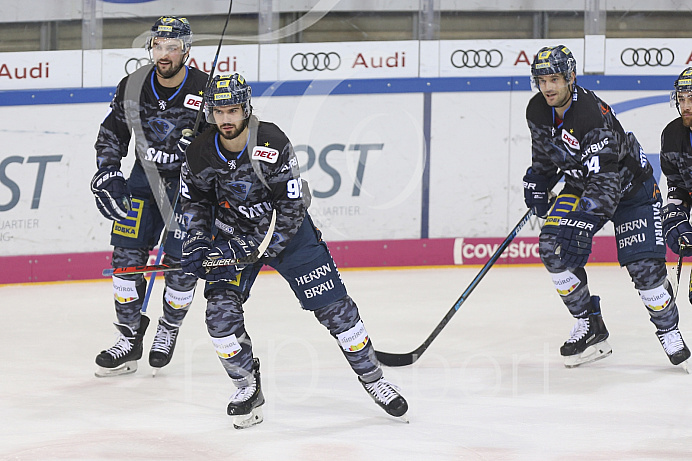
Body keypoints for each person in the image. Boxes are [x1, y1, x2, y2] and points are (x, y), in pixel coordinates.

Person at [178, 73, 408, 428]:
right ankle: (246, 386)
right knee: (219, 320)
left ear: (246, 108)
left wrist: (256, 246)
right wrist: (195, 241)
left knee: (339, 313)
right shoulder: (199, 151)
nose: (226, 119)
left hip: (286, 235)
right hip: (230, 236)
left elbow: (290, 208)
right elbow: (193, 203)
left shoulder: (270, 141)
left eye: (233, 110)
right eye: (219, 111)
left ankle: (374, 379)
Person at [522, 45, 690, 369]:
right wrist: (538, 181)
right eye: (541, 80)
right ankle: (590, 325)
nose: (548, 88)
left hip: (630, 191)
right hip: (583, 186)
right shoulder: (537, 111)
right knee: (552, 248)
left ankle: (669, 329)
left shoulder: (589, 113)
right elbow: (546, 157)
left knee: (647, 277)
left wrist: (582, 222)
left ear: (570, 77)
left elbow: (606, 182)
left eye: (554, 78)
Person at [90, 17, 209, 377]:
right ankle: (129, 336)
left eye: (172, 47)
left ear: (186, 50)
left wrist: (201, 149)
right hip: (142, 183)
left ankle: (168, 328)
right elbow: (112, 132)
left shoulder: (206, 88)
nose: (164, 54)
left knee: (181, 267)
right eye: (158, 46)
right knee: (124, 263)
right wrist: (108, 172)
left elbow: (230, 144)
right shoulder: (134, 85)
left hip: (187, 191)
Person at [661, 68, 692, 302]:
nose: (686, 106)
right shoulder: (672, 134)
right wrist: (676, 211)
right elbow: (677, 182)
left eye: (691, 98)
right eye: (681, 99)